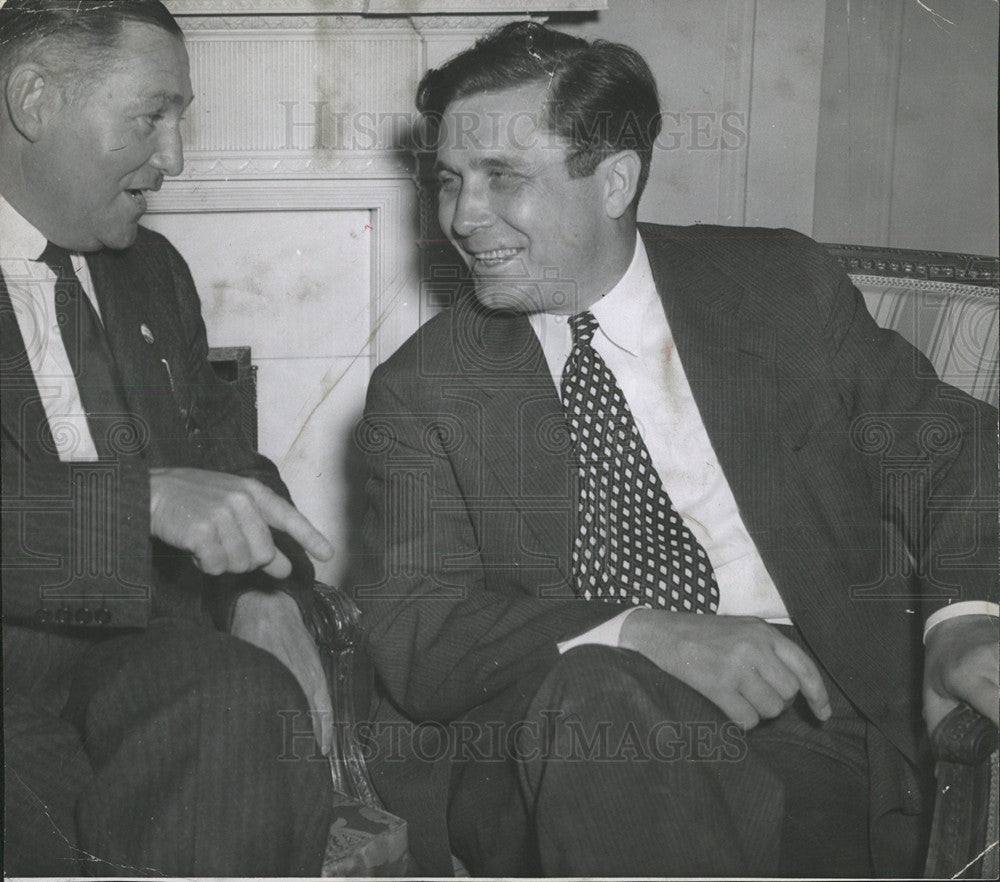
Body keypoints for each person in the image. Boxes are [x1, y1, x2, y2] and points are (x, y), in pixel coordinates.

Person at [351, 21, 999, 877]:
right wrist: (643, 633)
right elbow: (415, 630)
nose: (464, 219)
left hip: (814, 724)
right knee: (599, 699)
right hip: (564, 744)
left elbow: (954, 446)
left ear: (614, 181)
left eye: (503, 178)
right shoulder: (425, 387)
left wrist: (966, 619)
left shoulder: (776, 290)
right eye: (449, 182)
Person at [1, 1, 336, 874]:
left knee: (242, 700)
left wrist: (261, 595)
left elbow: (229, 465)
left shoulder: (153, 271)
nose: (176, 158)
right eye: (152, 115)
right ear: (32, 100)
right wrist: (140, 499)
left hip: (131, 653)